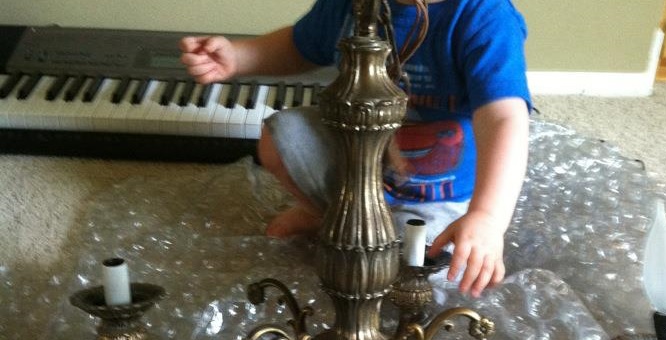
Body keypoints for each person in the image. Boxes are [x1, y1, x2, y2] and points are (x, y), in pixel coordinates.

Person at [180, 0, 530, 297]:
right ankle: (325, 214)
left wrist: (487, 217)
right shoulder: (350, 5)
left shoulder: (485, 16)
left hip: (436, 193)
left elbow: (503, 118)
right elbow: (299, 46)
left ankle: (393, 230)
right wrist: (238, 57)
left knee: (417, 283)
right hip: (356, 164)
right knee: (281, 137)